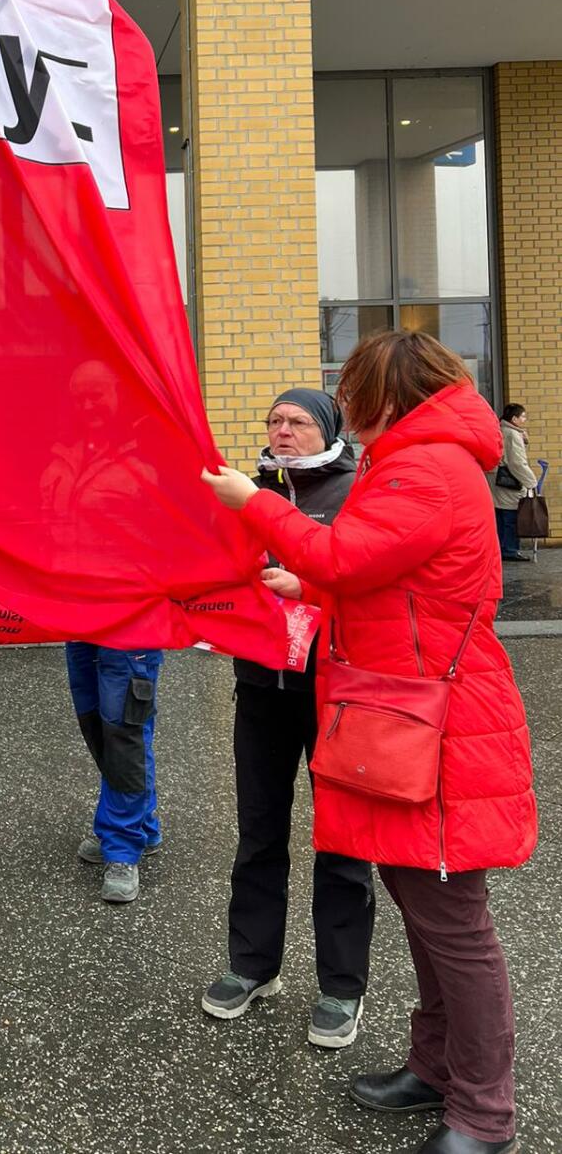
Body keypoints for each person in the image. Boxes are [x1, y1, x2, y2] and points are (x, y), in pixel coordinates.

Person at [202, 332, 536, 1154]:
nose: (344, 402)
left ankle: (483, 1114)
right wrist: (310, 583)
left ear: (389, 391)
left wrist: (255, 503)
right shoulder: (424, 459)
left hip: (433, 720)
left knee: (452, 924)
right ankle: (435, 1069)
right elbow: (398, 581)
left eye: (351, 387)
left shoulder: (424, 466)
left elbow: (347, 555)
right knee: (423, 906)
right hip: (408, 711)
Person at [201, 388, 374, 1050]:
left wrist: (308, 587)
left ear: (328, 429)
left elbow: (370, 580)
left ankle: (341, 986)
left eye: (298, 422)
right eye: (275, 420)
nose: (283, 431)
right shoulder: (250, 490)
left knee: (342, 841)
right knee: (258, 832)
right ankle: (252, 966)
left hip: (336, 692)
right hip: (260, 687)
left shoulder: (356, 491)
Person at [42, 362, 163, 906]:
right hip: (79, 615)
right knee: (97, 723)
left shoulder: (149, 460)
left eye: (99, 395)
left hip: (130, 619)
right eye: (80, 397)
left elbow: (172, 535)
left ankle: (122, 846)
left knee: (124, 729)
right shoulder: (62, 455)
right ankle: (143, 822)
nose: (89, 406)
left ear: (120, 398)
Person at [489, 404, 537, 562]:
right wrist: (531, 481)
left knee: (500, 516)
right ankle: (510, 550)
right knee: (510, 517)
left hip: (496, 479)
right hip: (509, 483)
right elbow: (517, 462)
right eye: (523, 416)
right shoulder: (512, 434)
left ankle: (500, 549)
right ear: (514, 419)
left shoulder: (501, 430)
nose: (524, 419)